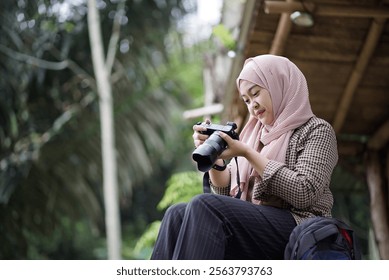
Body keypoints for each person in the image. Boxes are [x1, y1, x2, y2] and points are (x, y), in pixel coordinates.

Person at [151, 54, 338, 260]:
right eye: (246, 100)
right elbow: (223, 194)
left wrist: (248, 154)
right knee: (177, 214)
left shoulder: (316, 130)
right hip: (255, 228)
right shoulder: (253, 134)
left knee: (203, 205)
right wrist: (216, 159)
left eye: (256, 93)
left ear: (280, 84)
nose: (252, 105)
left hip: (301, 227)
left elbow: (305, 192)